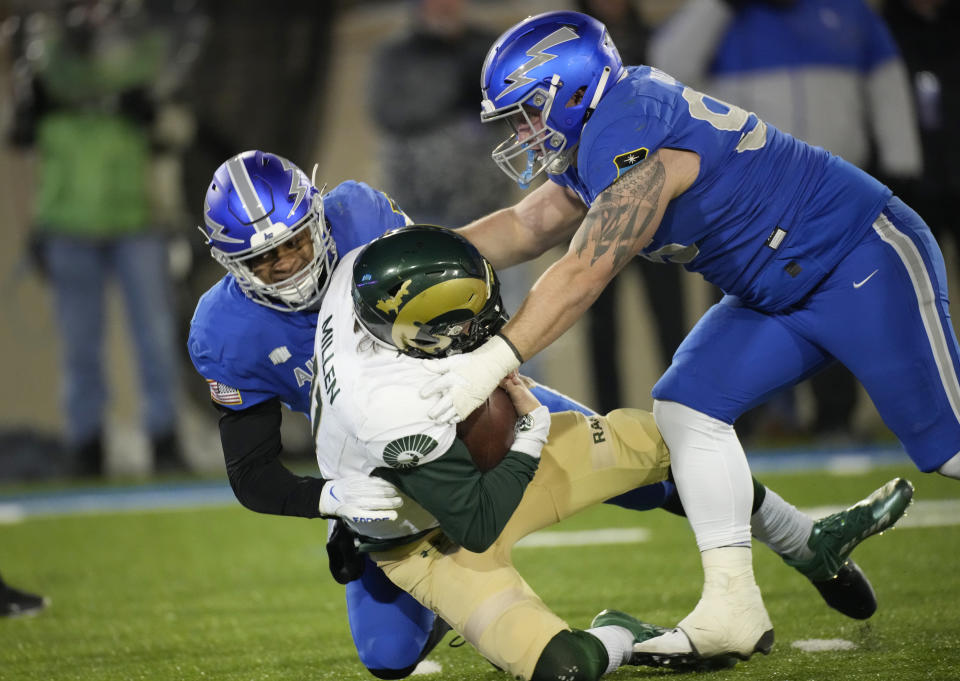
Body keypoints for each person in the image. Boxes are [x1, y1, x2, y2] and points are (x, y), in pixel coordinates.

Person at [188, 151, 909, 676]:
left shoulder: (359, 218)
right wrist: (332, 501)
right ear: (230, 264)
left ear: (318, 216)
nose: (288, 264)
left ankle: (803, 538)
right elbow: (251, 471)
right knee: (387, 657)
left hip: (468, 409)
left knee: (650, 466)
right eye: (267, 260)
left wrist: (506, 396)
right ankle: (457, 600)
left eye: (295, 243)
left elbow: (449, 305)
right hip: (394, 477)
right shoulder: (225, 333)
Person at [418, 9, 954, 664]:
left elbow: (587, 267)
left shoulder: (631, 118)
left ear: (575, 89)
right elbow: (527, 226)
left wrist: (496, 358)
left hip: (857, 257)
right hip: (774, 291)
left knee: (951, 449)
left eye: (530, 110)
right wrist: (418, 254)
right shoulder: (598, 135)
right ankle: (731, 607)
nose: (524, 130)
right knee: (686, 406)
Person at [649, 0, 924, 441]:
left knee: (839, 307)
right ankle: (745, 425)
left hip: (835, 198)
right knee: (737, 312)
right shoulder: (719, 17)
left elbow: (888, 89)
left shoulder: (850, 13)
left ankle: (835, 419)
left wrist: (903, 165)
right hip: (743, 209)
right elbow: (668, 64)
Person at [7, 0, 188, 475]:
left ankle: (164, 443)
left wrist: (154, 114)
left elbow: (177, 126)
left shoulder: (148, 48)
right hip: (66, 222)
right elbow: (20, 134)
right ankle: (87, 449)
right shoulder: (42, 55)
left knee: (155, 337)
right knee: (79, 345)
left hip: (139, 219)